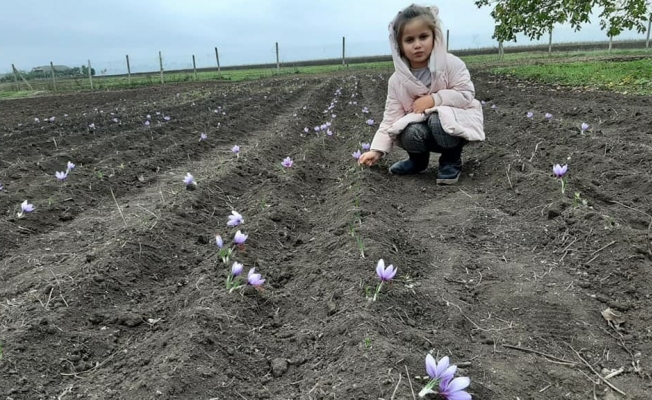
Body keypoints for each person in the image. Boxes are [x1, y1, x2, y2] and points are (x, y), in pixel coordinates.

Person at [358, 4, 485, 185]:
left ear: (435, 37)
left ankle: (451, 159)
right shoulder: (397, 81)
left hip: (454, 127)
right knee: (408, 131)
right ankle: (417, 161)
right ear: (399, 46)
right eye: (409, 40)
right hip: (424, 133)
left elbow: (466, 94)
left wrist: (435, 99)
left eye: (423, 37)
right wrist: (376, 150)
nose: (417, 45)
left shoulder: (451, 64)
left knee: (437, 118)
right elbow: (390, 118)